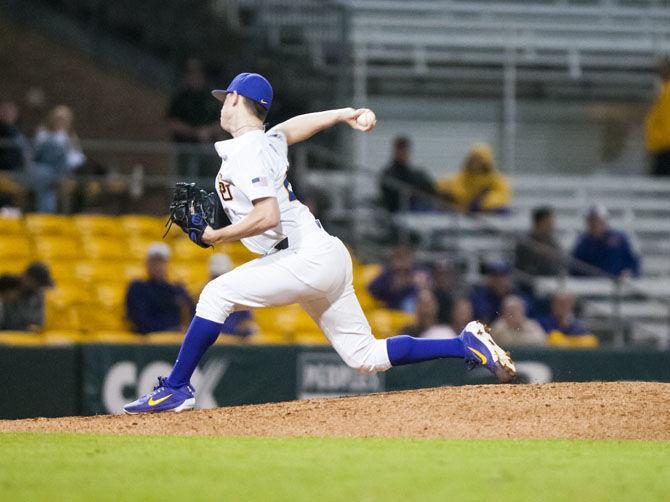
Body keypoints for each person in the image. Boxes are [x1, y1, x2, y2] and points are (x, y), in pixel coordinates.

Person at [123, 72, 516, 414]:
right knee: (365, 356)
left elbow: (269, 215)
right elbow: (296, 126)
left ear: (238, 100)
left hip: (303, 256)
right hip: (320, 253)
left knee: (215, 294)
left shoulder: (248, 152)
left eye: (226, 98)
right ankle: (465, 344)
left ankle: (175, 388)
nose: (221, 105)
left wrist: (217, 236)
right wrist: (345, 113)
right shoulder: (266, 142)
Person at [167, 58, 222, 179]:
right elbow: (172, 122)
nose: (194, 76)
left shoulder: (211, 96)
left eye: (197, 73)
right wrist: (195, 133)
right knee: (185, 181)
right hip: (185, 148)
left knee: (208, 182)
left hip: (208, 148)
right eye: (190, 73)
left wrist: (208, 131)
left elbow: (221, 122)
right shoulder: (180, 97)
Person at [125, 243, 194, 334]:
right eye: (154, 262)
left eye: (161, 262)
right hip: (145, 338)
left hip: (172, 338)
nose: (157, 266)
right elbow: (137, 318)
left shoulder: (176, 289)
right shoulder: (137, 288)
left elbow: (192, 311)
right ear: (147, 264)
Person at [31, 105, 85, 213]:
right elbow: (35, 154)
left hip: (63, 170)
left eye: (63, 120)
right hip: (44, 169)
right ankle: (45, 213)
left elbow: (78, 157)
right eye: (58, 119)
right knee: (45, 180)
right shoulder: (43, 134)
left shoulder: (70, 137)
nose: (60, 122)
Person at [437, 143, 511, 213]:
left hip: (486, 214)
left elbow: (502, 195)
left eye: (480, 159)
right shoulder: (462, 177)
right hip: (462, 214)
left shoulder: (495, 180)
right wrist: (447, 192)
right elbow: (446, 185)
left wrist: (483, 202)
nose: (476, 162)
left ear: (486, 162)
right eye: (473, 158)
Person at [571, 205, 640, 279]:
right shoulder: (582, 243)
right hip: (591, 286)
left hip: (618, 286)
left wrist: (629, 273)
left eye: (596, 221)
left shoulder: (619, 239)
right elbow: (575, 269)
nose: (594, 225)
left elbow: (633, 263)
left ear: (604, 221)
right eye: (591, 221)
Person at [207, 253, 258, 339]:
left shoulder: (239, 296)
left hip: (233, 341)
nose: (218, 280)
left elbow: (248, 322)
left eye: (221, 276)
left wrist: (244, 330)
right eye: (215, 277)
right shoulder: (203, 296)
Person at [379, 136, 435, 213]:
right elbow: (390, 197)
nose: (403, 153)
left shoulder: (417, 174)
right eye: (400, 150)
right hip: (397, 212)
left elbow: (430, 189)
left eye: (405, 150)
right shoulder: (388, 174)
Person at [0, 263, 53, 331]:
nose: (37, 288)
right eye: (37, 283)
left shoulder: (36, 296)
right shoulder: (7, 284)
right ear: (27, 277)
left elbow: (38, 322)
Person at [514, 206, 564, 277]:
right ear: (539, 223)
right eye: (548, 223)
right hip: (528, 282)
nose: (551, 227)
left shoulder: (553, 243)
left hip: (550, 281)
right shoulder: (524, 242)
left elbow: (558, 263)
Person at [367, 245, 419, 311]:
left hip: (413, 309)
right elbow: (371, 289)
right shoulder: (387, 274)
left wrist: (410, 283)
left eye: (406, 258)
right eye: (399, 258)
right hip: (392, 309)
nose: (402, 263)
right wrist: (392, 286)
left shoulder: (417, 274)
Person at [0, 100, 30, 209]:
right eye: (5, 111)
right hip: (8, 169)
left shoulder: (17, 130)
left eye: (11, 111)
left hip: (21, 169)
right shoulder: (4, 130)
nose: (8, 114)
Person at [645, 56, 670, 176]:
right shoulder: (664, 91)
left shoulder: (667, 93)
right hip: (662, 148)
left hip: (665, 148)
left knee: (659, 188)